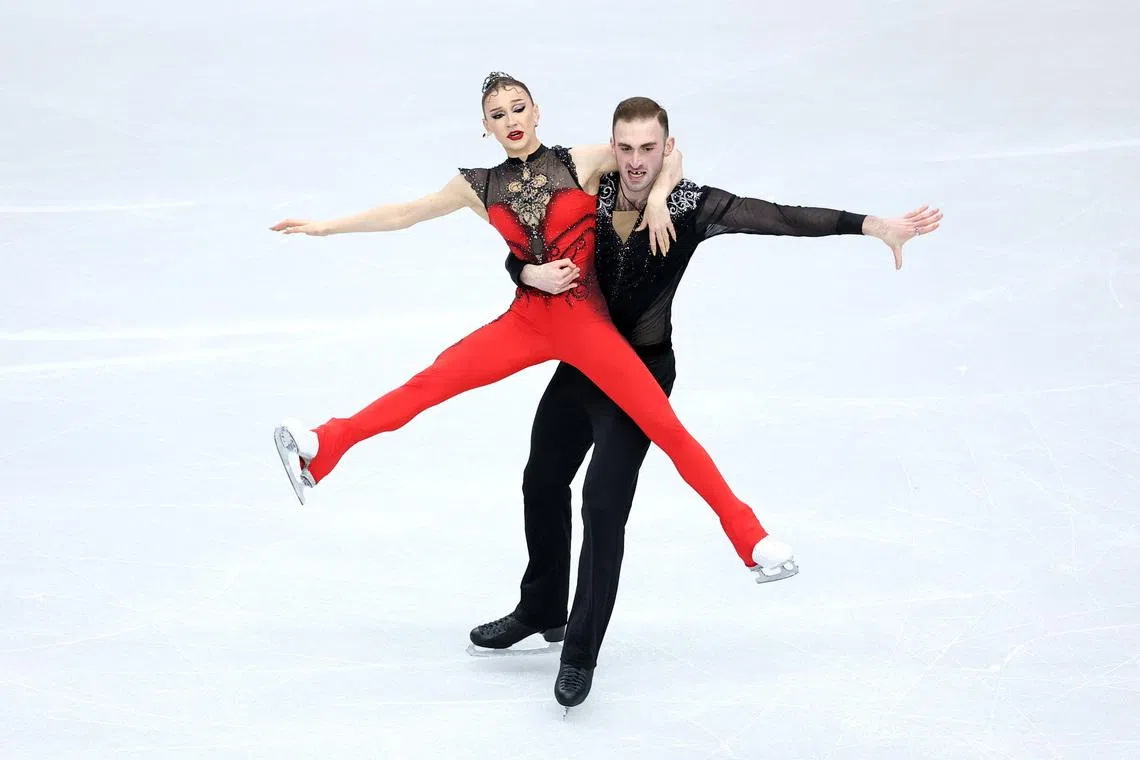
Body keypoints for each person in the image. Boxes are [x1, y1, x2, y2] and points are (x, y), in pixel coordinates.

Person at [270, 75, 801, 707]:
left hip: (586, 323)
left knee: (663, 425)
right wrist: (327, 228)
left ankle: (751, 537)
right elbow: (405, 214)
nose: (512, 119)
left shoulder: (581, 160)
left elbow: (669, 156)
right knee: (429, 383)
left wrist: (658, 198)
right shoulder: (478, 185)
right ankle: (322, 446)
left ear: (537, 111)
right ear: (486, 127)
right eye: (498, 114)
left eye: (519, 107)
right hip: (525, 320)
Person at [469, 96, 942, 708]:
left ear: (666, 150)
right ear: (612, 147)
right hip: (585, 360)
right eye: (625, 148)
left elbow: (781, 216)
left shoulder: (693, 207)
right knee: (541, 478)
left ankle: (579, 652)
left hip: (640, 373)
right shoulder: (596, 190)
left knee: (602, 506)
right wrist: (521, 273)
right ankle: (542, 607)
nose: (635, 161)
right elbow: (529, 236)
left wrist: (871, 225)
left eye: (649, 150)